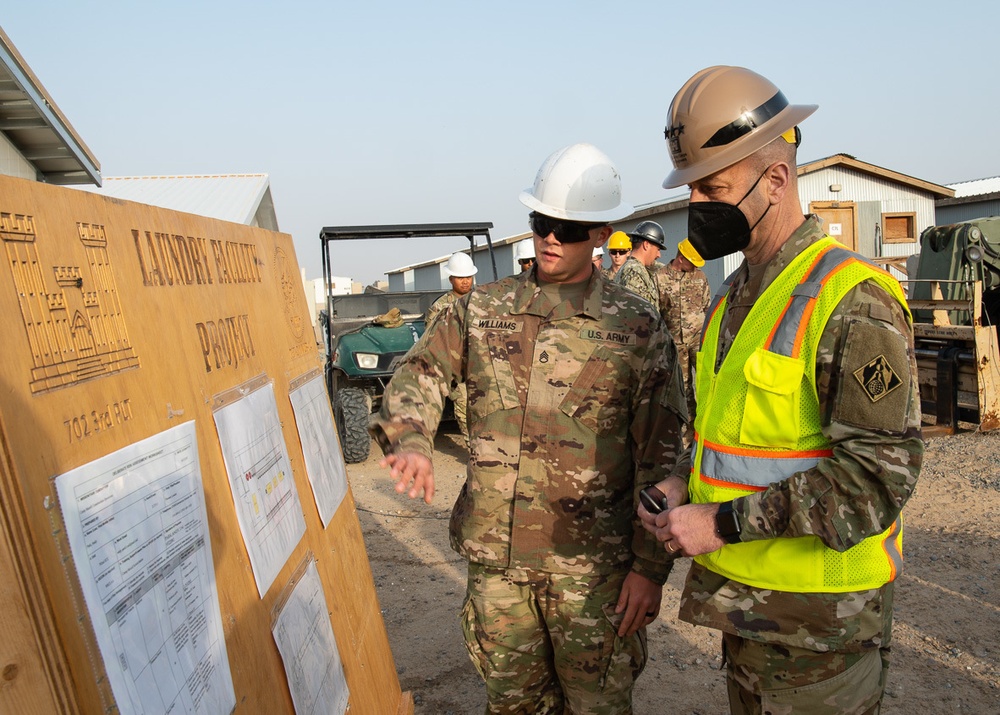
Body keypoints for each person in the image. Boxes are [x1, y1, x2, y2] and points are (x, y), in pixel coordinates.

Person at [638, 65, 924, 715]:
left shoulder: (850, 300)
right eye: (692, 192)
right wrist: (684, 483)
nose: (697, 209)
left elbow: (877, 481)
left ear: (776, 178)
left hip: (822, 635)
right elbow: (734, 438)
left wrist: (721, 522)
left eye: (713, 188)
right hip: (751, 620)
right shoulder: (735, 298)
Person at [371, 142, 689, 714]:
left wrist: (650, 569)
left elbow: (662, 454)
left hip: (594, 574)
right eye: (541, 222)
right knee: (513, 706)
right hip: (498, 569)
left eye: (567, 227)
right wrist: (412, 437)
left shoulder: (636, 328)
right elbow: (420, 373)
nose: (549, 238)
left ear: (599, 234)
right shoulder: (483, 310)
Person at [652, 237, 711, 423]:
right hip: (675, 344)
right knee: (682, 388)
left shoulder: (700, 277)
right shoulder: (660, 277)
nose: (695, 267)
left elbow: (707, 307)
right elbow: (656, 313)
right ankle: (687, 432)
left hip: (698, 340)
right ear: (681, 258)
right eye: (692, 263)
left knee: (705, 383)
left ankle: (706, 424)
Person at [425, 252, 478, 444]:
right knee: (464, 406)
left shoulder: (483, 301)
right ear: (451, 279)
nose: (465, 282)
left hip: (481, 364)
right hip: (457, 368)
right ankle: (473, 451)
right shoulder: (440, 307)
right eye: (460, 277)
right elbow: (433, 339)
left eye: (468, 277)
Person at [613, 221, 664, 307]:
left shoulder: (637, 268)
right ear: (646, 245)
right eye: (658, 249)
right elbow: (635, 311)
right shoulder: (634, 271)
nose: (659, 255)